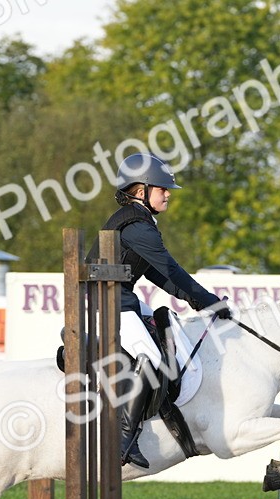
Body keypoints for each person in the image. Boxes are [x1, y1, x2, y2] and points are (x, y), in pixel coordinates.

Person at [98, 152, 232, 470]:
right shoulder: (137, 227)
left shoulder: (139, 222)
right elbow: (172, 270)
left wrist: (198, 302)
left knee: (165, 331)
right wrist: (209, 301)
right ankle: (123, 440)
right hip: (109, 301)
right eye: (162, 188)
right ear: (140, 189)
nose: (168, 193)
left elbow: (161, 276)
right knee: (152, 358)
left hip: (121, 297)